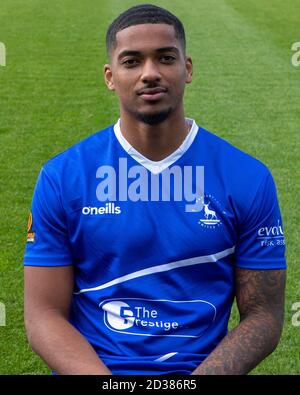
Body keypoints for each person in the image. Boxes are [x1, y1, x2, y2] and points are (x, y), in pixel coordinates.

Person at [24, 4, 286, 375]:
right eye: (132, 61)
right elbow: (43, 315)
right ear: (110, 76)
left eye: (165, 58)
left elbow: (264, 315)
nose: (150, 73)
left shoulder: (248, 178)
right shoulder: (62, 178)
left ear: (187, 69)